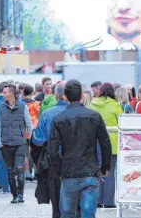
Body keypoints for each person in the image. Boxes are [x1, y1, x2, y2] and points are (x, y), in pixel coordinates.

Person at [49, 79, 112, 218]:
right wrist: (105, 167)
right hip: (90, 171)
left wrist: (58, 169)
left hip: (68, 172)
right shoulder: (94, 116)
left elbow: (52, 149)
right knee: (88, 213)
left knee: (67, 213)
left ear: (65, 97)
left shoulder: (59, 119)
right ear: (82, 96)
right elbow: (105, 143)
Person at [32, 82, 67, 218]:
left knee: (56, 199)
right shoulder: (87, 114)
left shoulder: (47, 114)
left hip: (54, 160)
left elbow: (38, 140)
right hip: (78, 161)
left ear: (56, 95)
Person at [0, 84, 33, 204]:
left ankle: (20, 195)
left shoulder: (23, 107)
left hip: (20, 144)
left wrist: (29, 141)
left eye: (5, 92)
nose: (3, 94)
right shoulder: (0, 107)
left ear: (12, 93)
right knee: (10, 172)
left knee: (19, 169)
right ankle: (14, 195)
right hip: (5, 144)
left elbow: (29, 124)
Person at [89, 83, 123, 208]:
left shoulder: (93, 104)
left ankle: (98, 200)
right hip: (112, 144)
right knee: (110, 173)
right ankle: (108, 202)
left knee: (98, 172)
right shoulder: (115, 105)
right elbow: (122, 122)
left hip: (96, 143)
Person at [21, 84, 40, 181]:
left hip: (23, 131)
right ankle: (36, 173)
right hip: (35, 130)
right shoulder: (37, 104)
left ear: (23, 92)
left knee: (25, 154)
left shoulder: (20, 104)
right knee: (36, 152)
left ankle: (27, 173)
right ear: (32, 93)